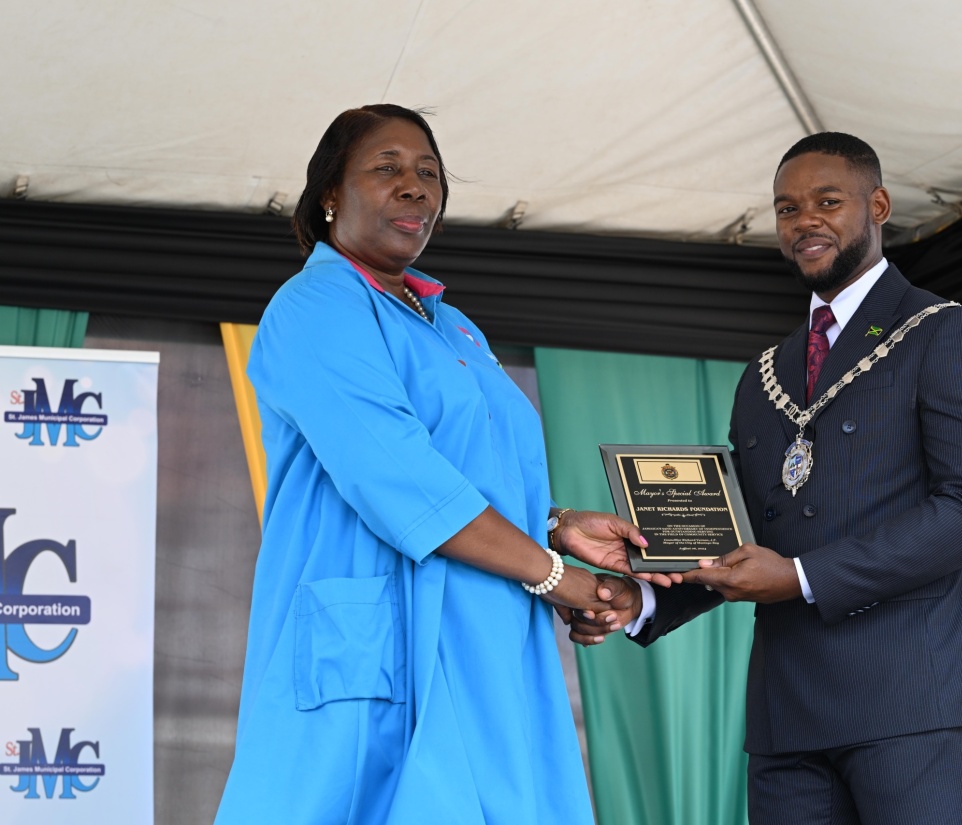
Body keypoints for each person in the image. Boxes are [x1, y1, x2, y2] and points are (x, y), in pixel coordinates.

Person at [572, 132, 962, 824]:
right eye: (787, 209)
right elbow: (748, 531)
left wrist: (798, 577)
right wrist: (639, 598)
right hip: (786, 713)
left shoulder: (946, 332)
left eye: (827, 201)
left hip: (910, 699)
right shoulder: (763, 374)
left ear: (877, 205)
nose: (805, 222)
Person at [214, 104, 656, 825]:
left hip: (486, 629)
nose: (416, 187)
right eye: (387, 168)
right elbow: (399, 479)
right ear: (330, 193)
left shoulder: (450, 323)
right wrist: (558, 576)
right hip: (383, 634)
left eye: (429, 173)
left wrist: (555, 525)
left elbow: (470, 467)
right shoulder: (315, 305)